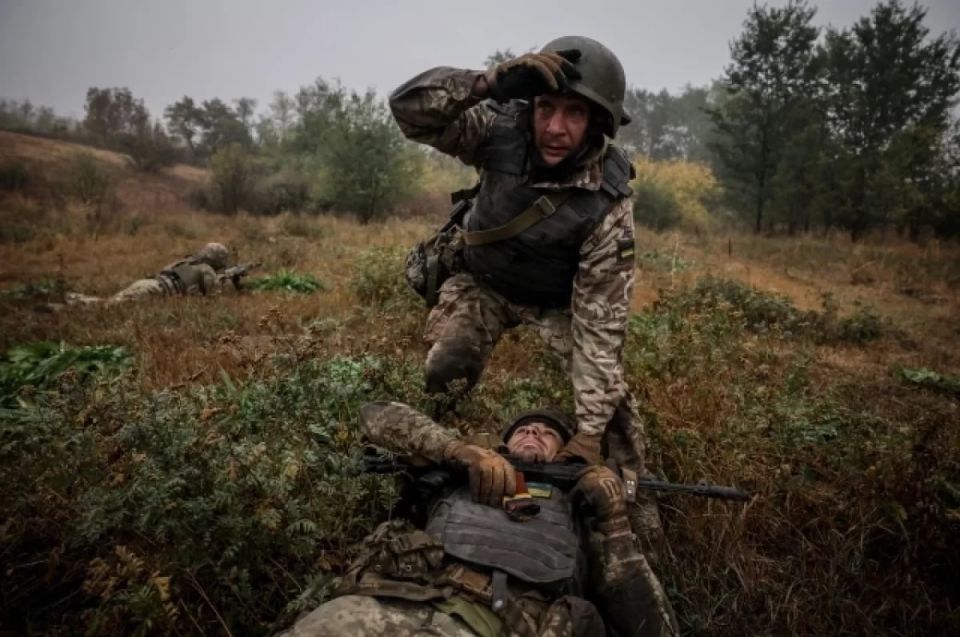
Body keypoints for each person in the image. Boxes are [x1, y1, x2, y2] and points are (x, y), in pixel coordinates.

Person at [390, 36, 662, 548]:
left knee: (616, 418)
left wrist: (587, 435)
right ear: (529, 106)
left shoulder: (608, 204)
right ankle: (424, 469)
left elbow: (600, 326)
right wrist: (484, 83)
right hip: (484, 282)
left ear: (598, 122)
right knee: (445, 369)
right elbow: (409, 113)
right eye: (545, 108)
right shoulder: (498, 130)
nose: (555, 128)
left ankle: (636, 513)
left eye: (574, 113)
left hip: (554, 302)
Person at [277, 401, 678, 637]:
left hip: (492, 623)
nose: (533, 433)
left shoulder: (580, 510)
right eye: (524, 429)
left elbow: (655, 627)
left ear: (562, 454)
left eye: (547, 433)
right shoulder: (460, 470)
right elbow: (373, 415)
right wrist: (454, 450)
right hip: (387, 601)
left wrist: (614, 521)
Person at [61, 242, 238, 306]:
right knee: (108, 306)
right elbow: (213, 301)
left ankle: (74, 299)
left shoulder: (188, 263)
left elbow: (187, 284)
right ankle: (67, 304)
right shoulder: (207, 270)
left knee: (110, 302)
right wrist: (222, 282)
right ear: (217, 259)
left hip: (148, 284)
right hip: (154, 291)